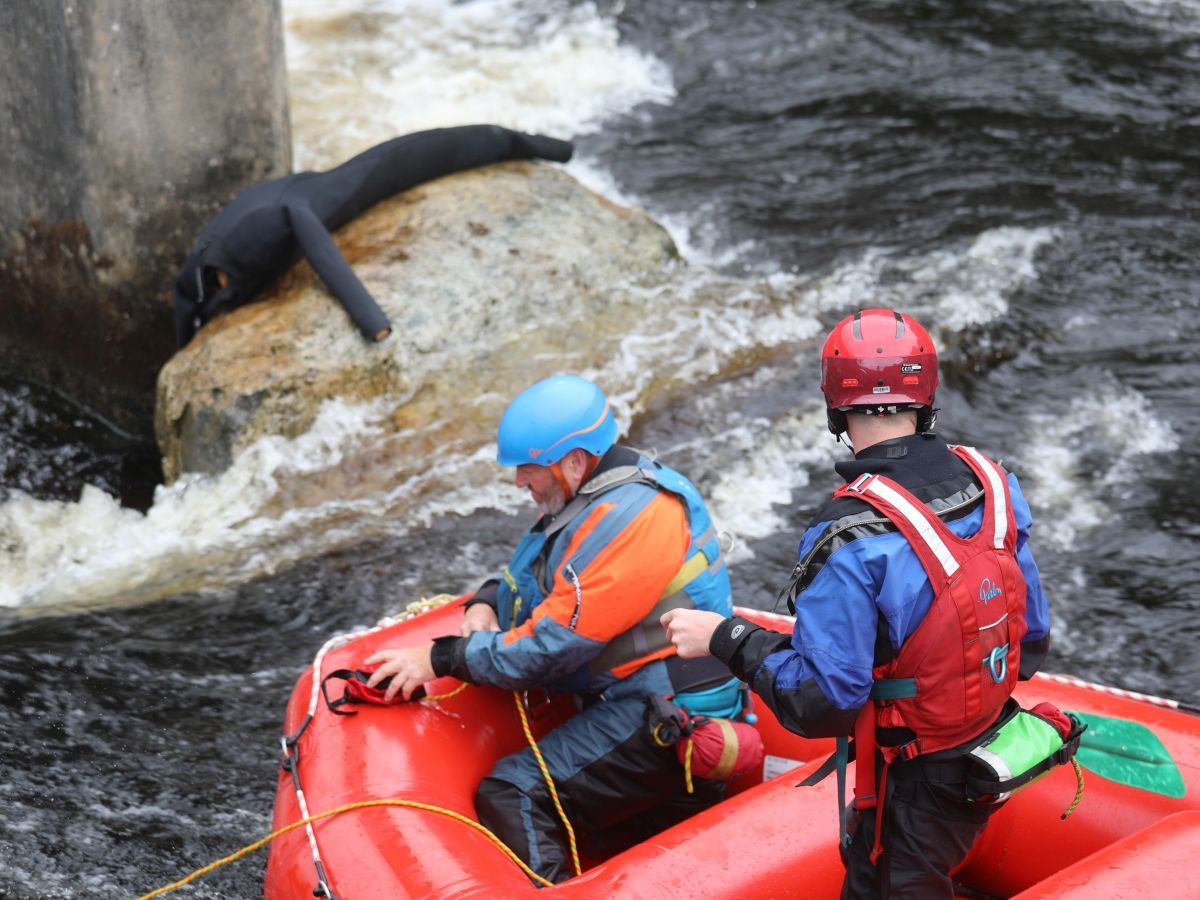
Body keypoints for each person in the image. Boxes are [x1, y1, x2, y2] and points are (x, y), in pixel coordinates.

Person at [661, 308, 1052, 899]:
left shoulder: (850, 534)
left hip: (917, 784)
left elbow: (822, 703)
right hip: (988, 754)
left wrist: (726, 638)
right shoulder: (995, 482)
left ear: (835, 406)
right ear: (926, 396)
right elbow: (1032, 642)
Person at [365, 374, 740, 883]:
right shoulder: (589, 497)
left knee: (510, 791)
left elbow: (553, 648)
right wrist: (488, 599)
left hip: (674, 713)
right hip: (639, 697)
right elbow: (534, 581)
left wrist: (441, 657)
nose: (519, 481)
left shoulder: (636, 517)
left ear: (575, 461)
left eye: (528, 469)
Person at [172, 124, 574, 347]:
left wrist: (371, 321)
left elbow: (319, 249)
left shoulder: (278, 218)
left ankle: (557, 147)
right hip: (275, 209)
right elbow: (185, 302)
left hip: (323, 189)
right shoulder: (196, 278)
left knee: (466, 145)